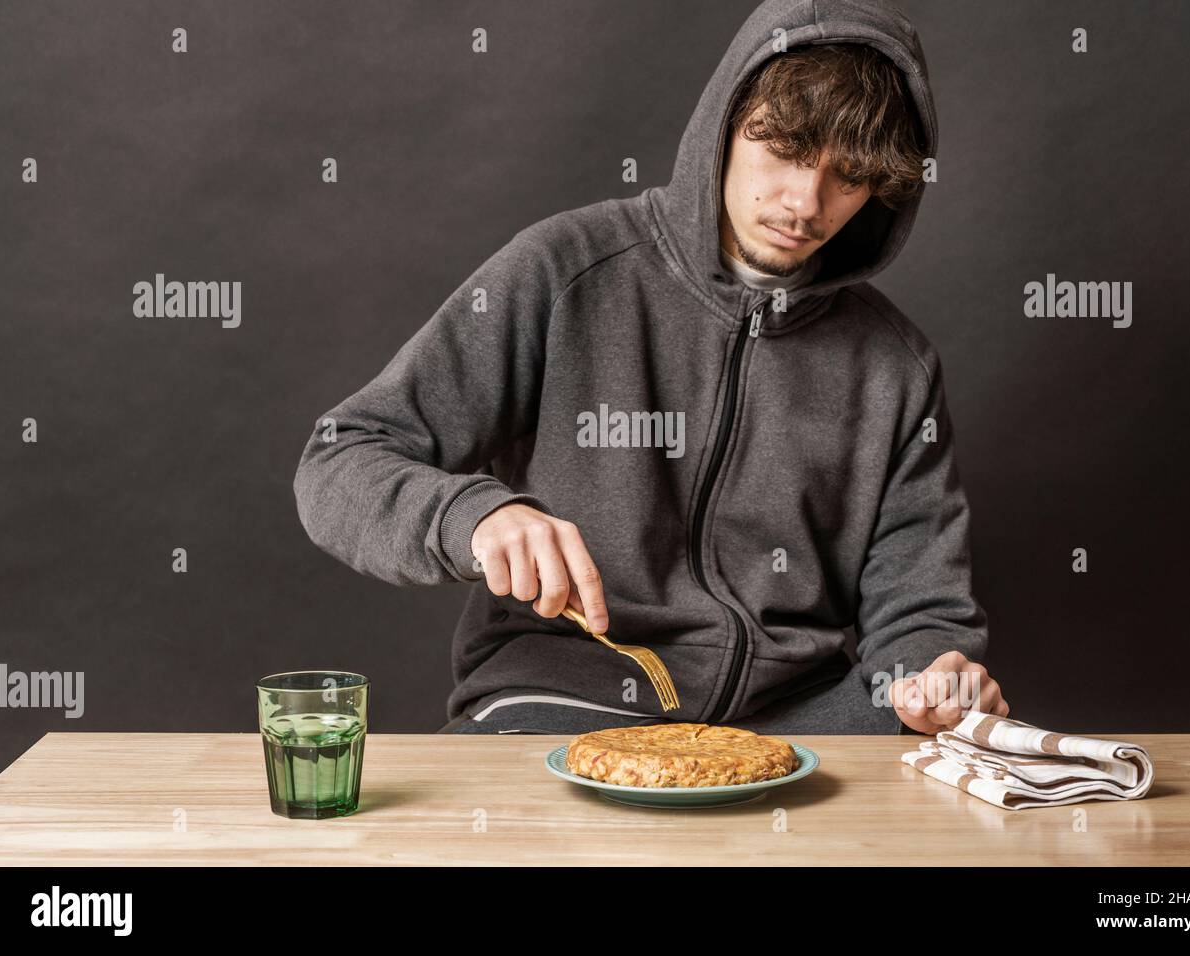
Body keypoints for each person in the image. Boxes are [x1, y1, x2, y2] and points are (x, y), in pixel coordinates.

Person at [292, 0, 1009, 737]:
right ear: (725, 125)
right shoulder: (563, 271)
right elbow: (339, 458)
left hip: (806, 727)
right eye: (786, 149)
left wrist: (934, 671)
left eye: (849, 176)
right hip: (561, 705)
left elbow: (922, 609)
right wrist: (475, 516)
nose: (806, 201)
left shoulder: (897, 366)